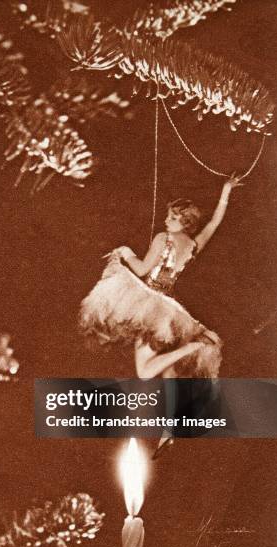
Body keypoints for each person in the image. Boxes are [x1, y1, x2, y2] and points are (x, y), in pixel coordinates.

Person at [79, 176, 242, 454]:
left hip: (150, 304)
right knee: (168, 370)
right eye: (168, 217)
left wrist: (126, 252)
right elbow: (214, 223)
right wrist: (225, 192)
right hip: (171, 309)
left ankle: (193, 345)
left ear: (183, 222)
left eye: (172, 218)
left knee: (144, 371)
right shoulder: (191, 245)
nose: (167, 221)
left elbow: (142, 270)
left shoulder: (163, 239)